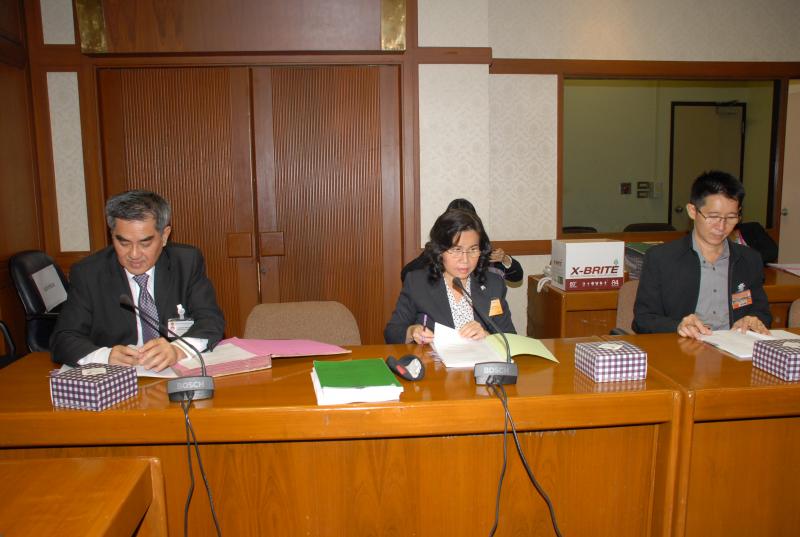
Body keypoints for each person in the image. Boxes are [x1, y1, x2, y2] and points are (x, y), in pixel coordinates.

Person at [51, 190, 225, 371]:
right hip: (118, 380)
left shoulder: (186, 263)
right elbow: (63, 339)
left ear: (164, 236)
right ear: (112, 235)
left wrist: (179, 349)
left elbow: (211, 321)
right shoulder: (89, 273)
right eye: (124, 242)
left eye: (145, 243)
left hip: (174, 375)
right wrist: (105, 356)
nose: (134, 254)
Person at [633, 171, 771, 338]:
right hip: (683, 347)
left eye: (731, 217)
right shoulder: (661, 258)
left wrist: (753, 320)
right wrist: (677, 326)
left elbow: (762, 312)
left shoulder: (750, 259)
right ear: (692, 211)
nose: (721, 226)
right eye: (713, 216)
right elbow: (643, 320)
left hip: (735, 346)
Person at [385, 209, 516, 344]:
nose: (465, 260)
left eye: (473, 249)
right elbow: (392, 333)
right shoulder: (417, 283)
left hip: (480, 358)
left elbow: (511, 338)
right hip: (433, 358)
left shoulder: (494, 284)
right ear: (440, 250)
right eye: (456, 250)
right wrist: (412, 331)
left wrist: (488, 337)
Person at [400, 198, 523, 284]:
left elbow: (517, 276)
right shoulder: (440, 250)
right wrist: (432, 253)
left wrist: (505, 259)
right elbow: (406, 275)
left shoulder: (483, 251)